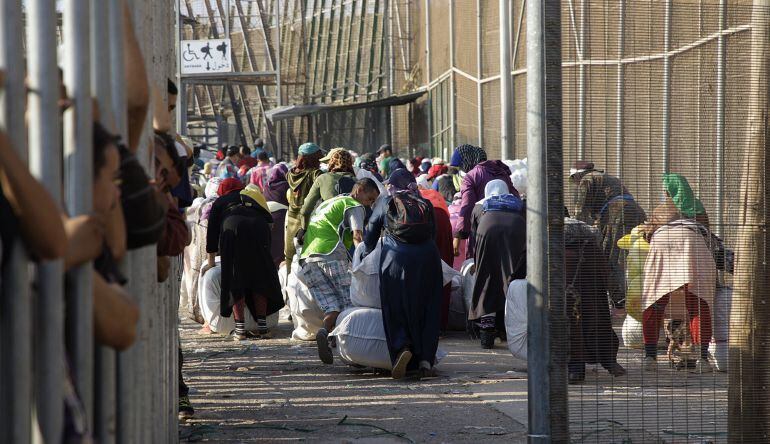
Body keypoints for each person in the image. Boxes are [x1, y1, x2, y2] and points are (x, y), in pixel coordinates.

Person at [364, 169, 442, 379]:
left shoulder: (386, 202)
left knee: (395, 305)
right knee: (428, 306)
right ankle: (425, 359)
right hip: (428, 259)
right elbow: (433, 234)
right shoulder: (424, 203)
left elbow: (370, 235)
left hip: (395, 259)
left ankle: (402, 347)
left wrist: (366, 253)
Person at [296, 179, 380, 365]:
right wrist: (365, 261)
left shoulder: (330, 202)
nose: (369, 204)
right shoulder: (354, 205)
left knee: (331, 306)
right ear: (359, 190)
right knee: (349, 301)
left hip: (308, 259)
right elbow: (357, 236)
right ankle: (351, 346)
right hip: (331, 255)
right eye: (370, 198)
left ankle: (325, 333)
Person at [570, 161, 646, 308]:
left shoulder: (586, 180)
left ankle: (619, 299)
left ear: (577, 175)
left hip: (618, 214)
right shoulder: (605, 177)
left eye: (574, 179)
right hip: (636, 212)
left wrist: (575, 228)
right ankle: (637, 295)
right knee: (634, 257)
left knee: (611, 258)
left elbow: (580, 211)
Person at [564, 217, 626, 383]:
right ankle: (609, 361)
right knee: (598, 330)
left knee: (571, 333)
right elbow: (609, 277)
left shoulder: (556, 251)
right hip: (594, 302)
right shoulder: (592, 250)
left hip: (566, 302)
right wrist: (618, 300)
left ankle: (575, 371)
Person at [218, 185, 284, 340]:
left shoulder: (225, 207)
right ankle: (263, 328)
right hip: (257, 229)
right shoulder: (260, 206)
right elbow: (268, 237)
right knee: (259, 279)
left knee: (236, 281)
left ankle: (240, 330)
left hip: (231, 227)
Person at [467, 180, 526, 348]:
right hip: (516, 230)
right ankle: (510, 328)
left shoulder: (480, 206)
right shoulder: (519, 204)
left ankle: (486, 332)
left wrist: (477, 263)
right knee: (512, 277)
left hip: (487, 229)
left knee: (488, 279)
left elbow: (474, 239)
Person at [450, 144, 517, 258]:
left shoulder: (471, 176)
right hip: (509, 227)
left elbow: (467, 206)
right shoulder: (502, 172)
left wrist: (458, 235)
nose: (462, 169)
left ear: (468, 159)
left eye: (461, 166)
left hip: (482, 227)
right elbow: (514, 196)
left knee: (480, 265)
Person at [418, 178, 454, 332]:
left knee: (425, 275)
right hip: (444, 225)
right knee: (443, 274)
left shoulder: (417, 197)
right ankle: (441, 325)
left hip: (427, 222)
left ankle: (427, 323)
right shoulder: (436, 196)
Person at [285, 142, 323, 269]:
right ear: (313, 158)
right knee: (308, 256)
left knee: (291, 253)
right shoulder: (316, 174)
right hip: (308, 219)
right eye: (318, 156)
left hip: (291, 218)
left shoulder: (290, 173)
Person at [299, 148, 357, 230]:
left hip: (326, 229)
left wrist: (303, 228)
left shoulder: (322, 178)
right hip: (350, 230)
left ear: (332, 162)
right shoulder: (357, 182)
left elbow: (305, 210)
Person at [642, 172, 710, 240]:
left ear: (670, 190)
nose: (664, 192)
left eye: (665, 190)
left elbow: (649, 234)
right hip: (699, 243)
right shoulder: (698, 205)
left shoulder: (664, 208)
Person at [263, 164, 290, 266]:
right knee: (280, 243)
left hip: (266, 216)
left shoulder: (267, 186)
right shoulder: (286, 186)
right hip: (281, 216)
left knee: (270, 242)